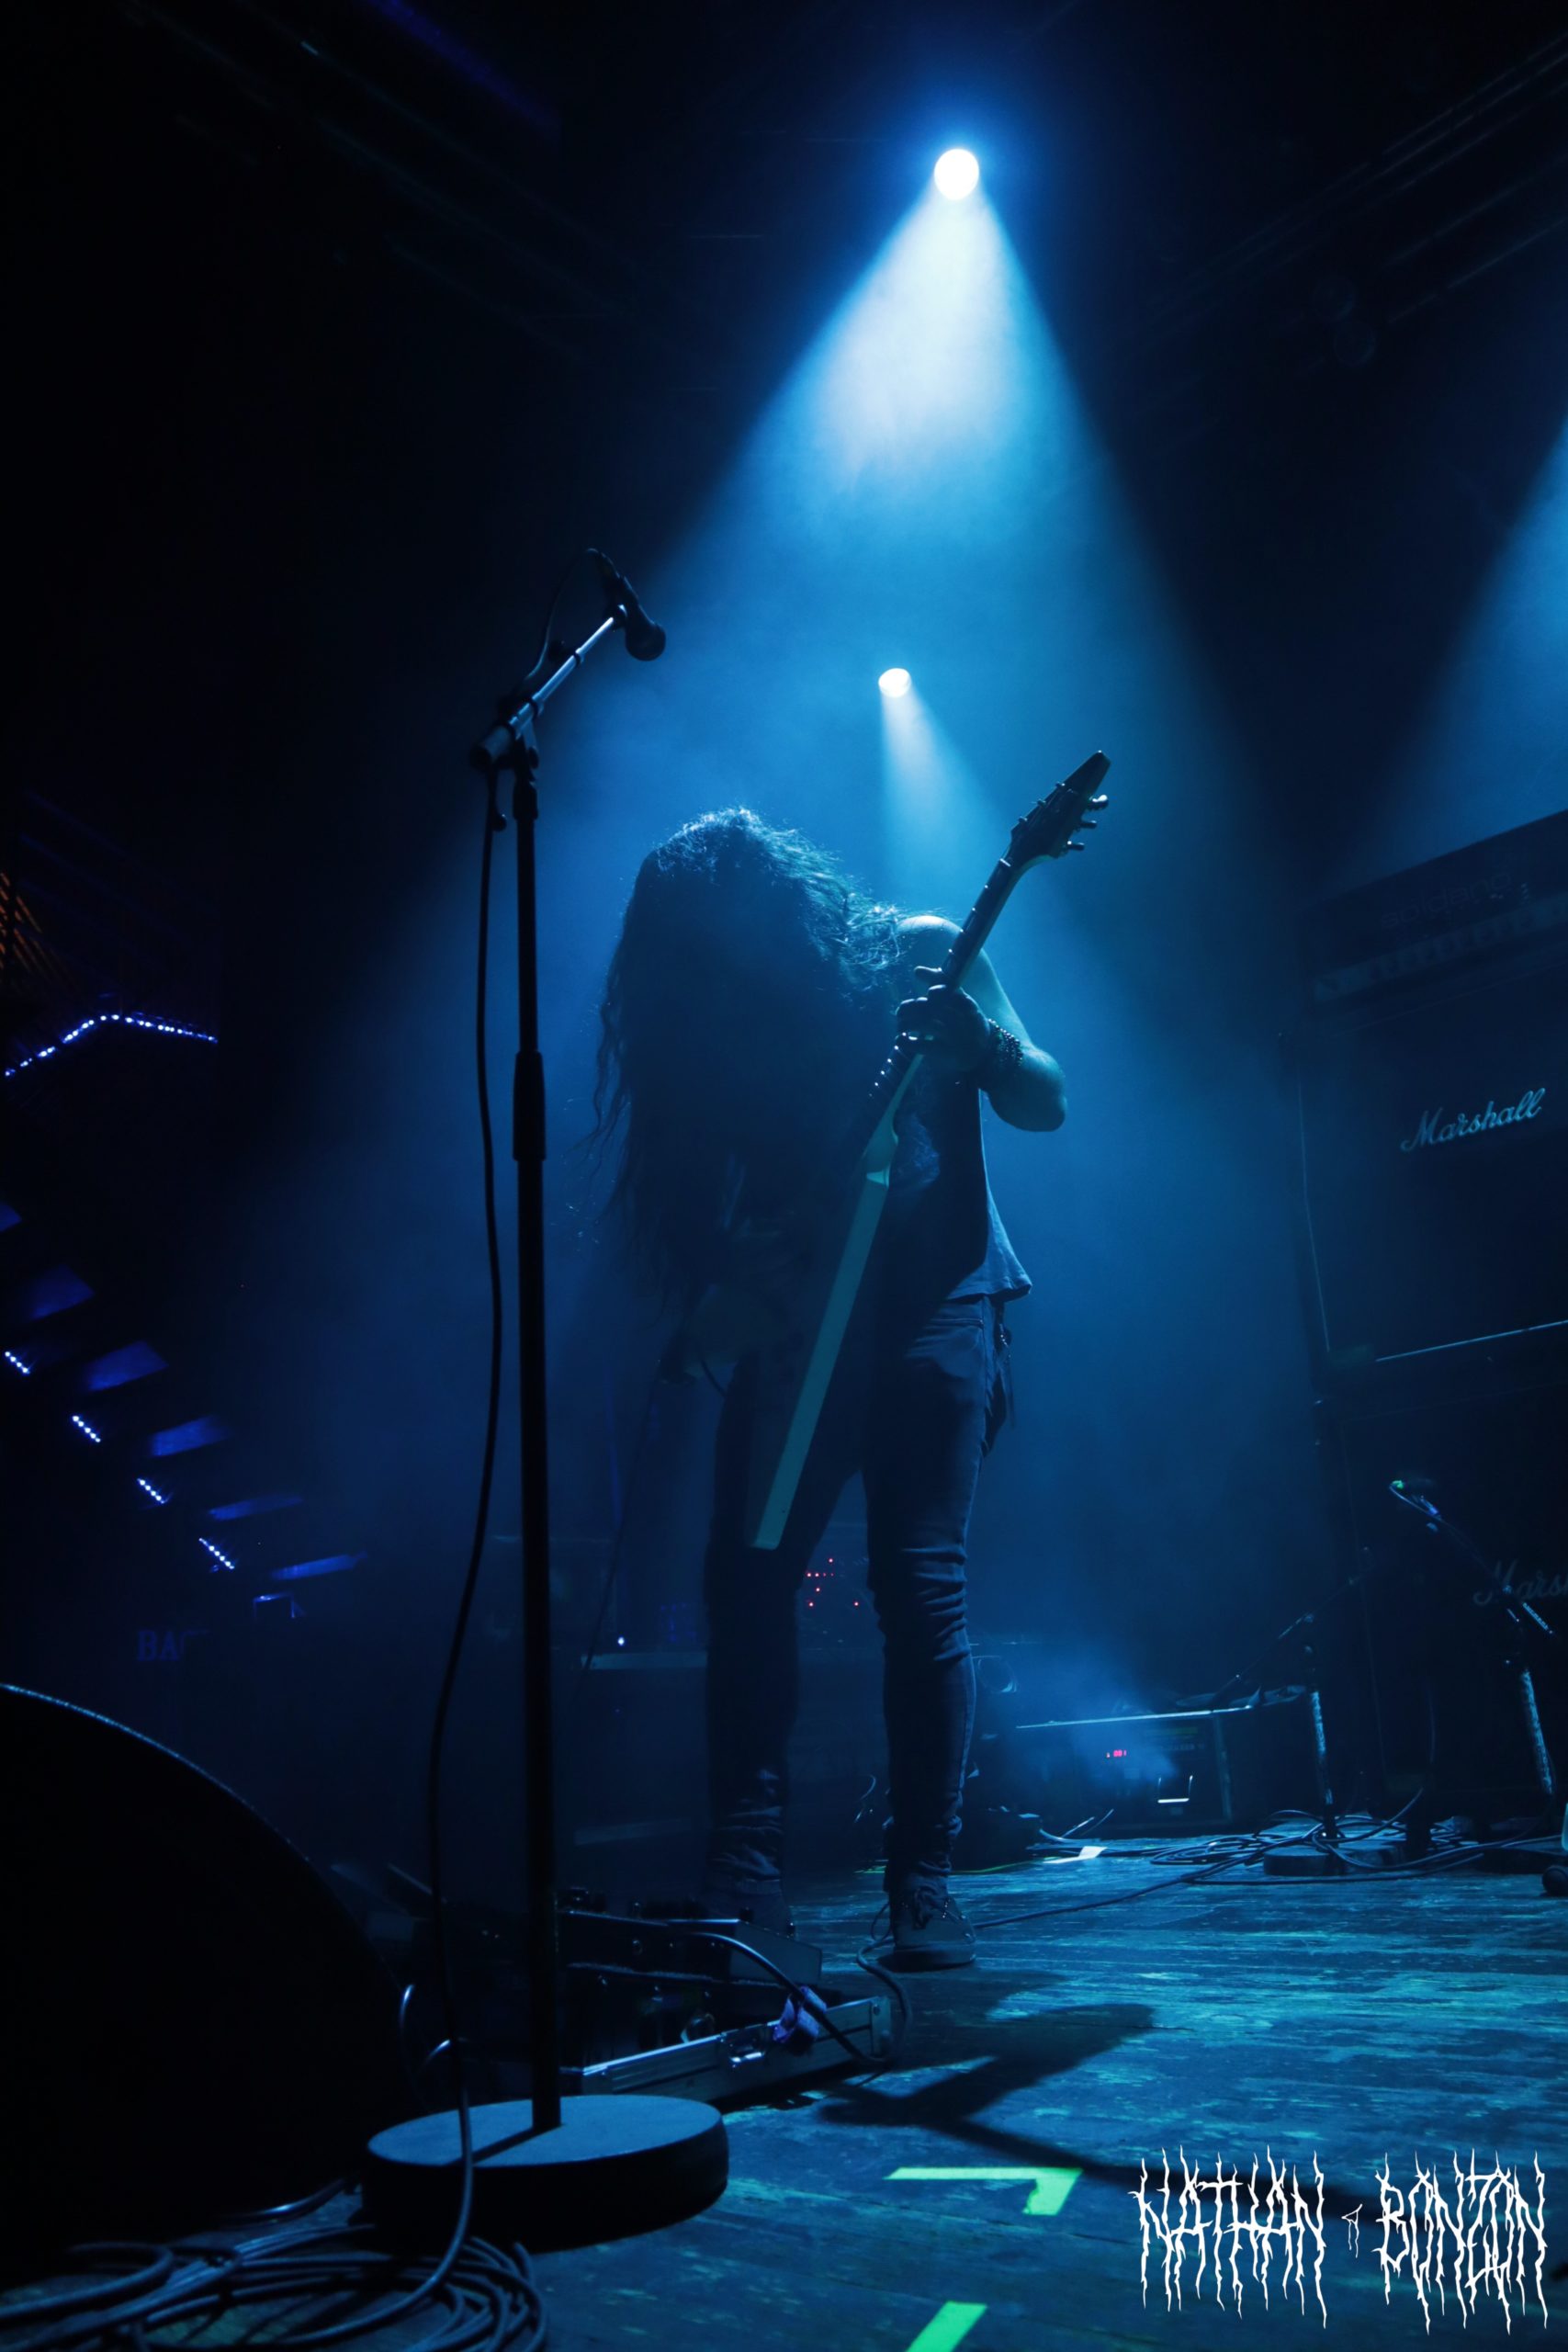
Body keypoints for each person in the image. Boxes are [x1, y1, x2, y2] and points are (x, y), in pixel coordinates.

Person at [592, 808, 1066, 1967]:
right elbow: (702, 1210)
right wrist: (731, 1271)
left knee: (920, 1585)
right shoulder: (724, 1045)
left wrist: (982, 1049)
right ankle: (744, 1880)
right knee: (745, 1575)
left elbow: (1047, 1097)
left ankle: (924, 1886)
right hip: (805, 1322)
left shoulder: (921, 951)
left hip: (938, 1304)